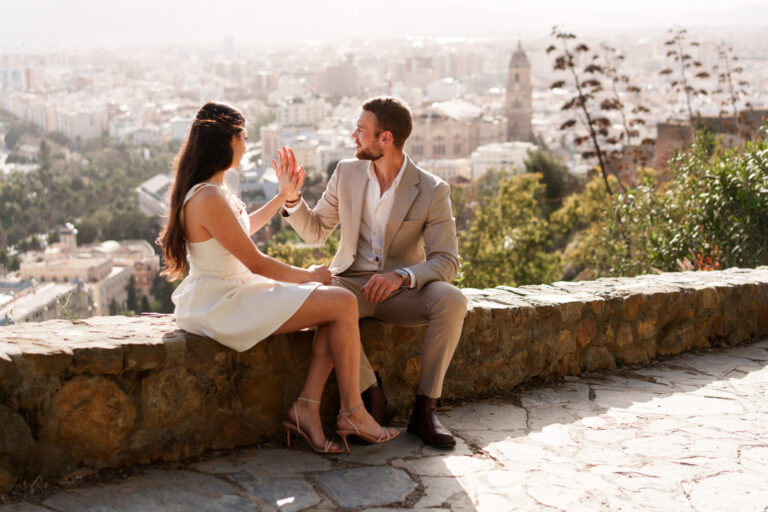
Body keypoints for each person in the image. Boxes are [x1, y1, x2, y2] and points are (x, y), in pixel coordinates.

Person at [157, 102, 397, 454]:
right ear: (227, 141)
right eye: (243, 137)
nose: (245, 144)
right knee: (342, 301)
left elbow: (242, 229)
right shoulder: (207, 196)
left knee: (334, 308)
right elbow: (256, 262)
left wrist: (282, 198)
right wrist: (309, 275)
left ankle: (309, 410)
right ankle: (351, 412)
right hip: (226, 303)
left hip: (232, 294)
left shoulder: (209, 190)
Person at [281, 96, 467, 448]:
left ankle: (425, 411)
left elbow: (447, 261)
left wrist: (403, 276)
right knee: (328, 302)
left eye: (361, 130)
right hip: (351, 283)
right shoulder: (346, 173)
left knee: (452, 301)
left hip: (402, 289)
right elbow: (317, 229)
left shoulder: (431, 190)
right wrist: (292, 200)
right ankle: (371, 392)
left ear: (386, 138)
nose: (354, 136)